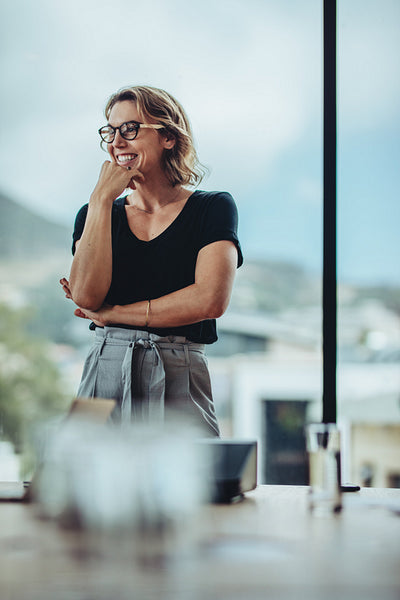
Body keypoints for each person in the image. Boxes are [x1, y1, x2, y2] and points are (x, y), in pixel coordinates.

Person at [60, 85, 243, 436]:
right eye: (110, 132)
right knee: (82, 484)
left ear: (168, 138)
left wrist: (113, 315)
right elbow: (86, 297)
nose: (117, 142)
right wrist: (100, 199)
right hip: (104, 367)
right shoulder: (94, 212)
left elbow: (210, 301)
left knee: (194, 487)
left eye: (130, 129)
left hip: (179, 370)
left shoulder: (213, 207)